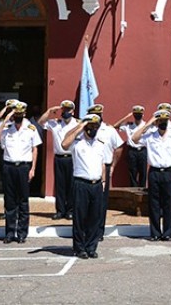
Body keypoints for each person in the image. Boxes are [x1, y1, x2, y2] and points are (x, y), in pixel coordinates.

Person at [132, 110, 171, 242]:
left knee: (169, 204)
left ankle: (167, 233)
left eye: (165, 121)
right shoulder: (150, 136)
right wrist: (148, 123)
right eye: (160, 121)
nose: (163, 123)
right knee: (154, 204)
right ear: (156, 122)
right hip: (154, 172)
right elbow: (134, 139)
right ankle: (155, 233)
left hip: (169, 172)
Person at [0, 102, 41, 243]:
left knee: (23, 201)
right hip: (9, 167)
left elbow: (35, 149)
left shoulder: (31, 129)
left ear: (24, 114)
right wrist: (6, 119)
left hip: (24, 167)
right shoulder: (7, 129)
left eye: (20, 114)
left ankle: (22, 233)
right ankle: (9, 233)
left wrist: (33, 169)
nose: (18, 116)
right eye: (16, 114)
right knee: (9, 201)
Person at [61, 114, 107, 259]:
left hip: (96, 184)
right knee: (80, 217)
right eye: (90, 126)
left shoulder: (101, 143)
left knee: (95, 217)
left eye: (96, 127)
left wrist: (104, 181)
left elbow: (103, 164)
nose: (93, 129)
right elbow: (64, 144)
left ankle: (91, 247)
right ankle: (80, 248)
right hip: (81, 184)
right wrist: (80, 126)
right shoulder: (77, 142)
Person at [81, 104, 124, 241]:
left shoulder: (109, 130)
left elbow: (119, 147)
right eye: (94, 116)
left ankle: (98, 232)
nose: (97, 118)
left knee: (101, 203)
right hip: (87, 168)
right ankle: (86, 230)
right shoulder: (84, 130)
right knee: (85, 203)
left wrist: (113, 164)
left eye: (98, 116)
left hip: (104, 168)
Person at [38, 100, 79, 220]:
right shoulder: (55, 123)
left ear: (72, 111)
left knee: (71, 185)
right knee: (59, 185)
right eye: (64, 109)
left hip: (72, 158)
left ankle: (70, 210)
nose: (66, 112)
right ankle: (60, 211)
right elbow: (40, 122)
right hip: (59, 158)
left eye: (68, 110)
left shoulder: (77, 123)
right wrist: (49, 111)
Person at [114, 105, 148, 187]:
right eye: (136, 114)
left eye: (139, 114)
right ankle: (133, 190)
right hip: (132, 151)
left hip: (142, 150)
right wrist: (127, 117)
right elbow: (115, 126)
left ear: (142, 115)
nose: (138, 116)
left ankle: (142, 190)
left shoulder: (146, 125)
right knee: (132, 172)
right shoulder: (129, 125)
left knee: (143, 172)